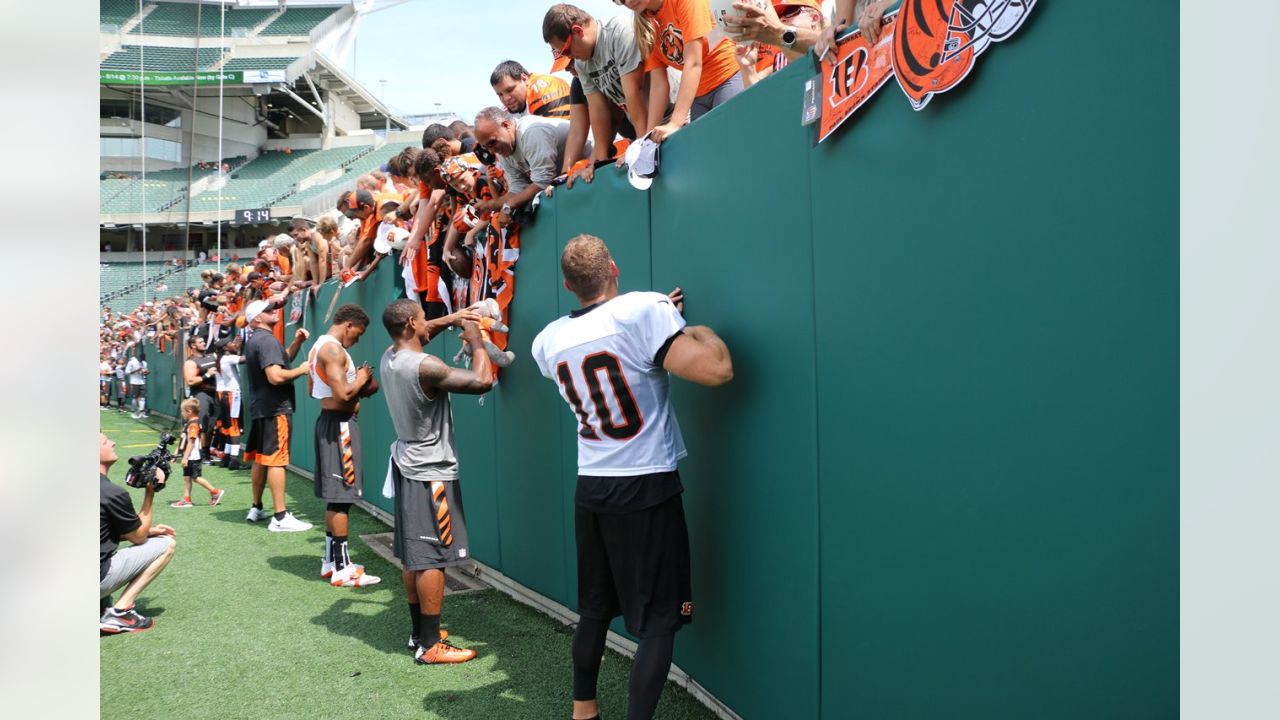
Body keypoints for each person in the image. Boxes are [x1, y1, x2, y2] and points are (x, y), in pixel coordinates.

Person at [531, 234, 733, 720]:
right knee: (660, 621)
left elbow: (607, 345)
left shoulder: (549, 339)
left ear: (567, 285)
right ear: (614, 268)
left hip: (592, 484)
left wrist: (658, 322)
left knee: (596, 609)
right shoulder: (646, 309)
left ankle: (584, 712)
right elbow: (717, 370)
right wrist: (690, 327)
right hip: (646, 483)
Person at [380, 299, 493, 664]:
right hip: (431, 472)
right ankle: (431, 646)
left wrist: (455, 318)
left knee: (415, 557)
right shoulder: (426, 366)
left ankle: (420, 634)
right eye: (424, 319)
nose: (430, 324)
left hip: (407, 464)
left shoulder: (390, 355)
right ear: (412, 323)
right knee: (432, 558)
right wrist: (477, 339)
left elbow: (419, 335)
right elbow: (482, 381)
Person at [308, 304, 382, 588]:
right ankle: (342, 569)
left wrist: (360, 382)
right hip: (339, 426)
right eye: (358, 334)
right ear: (349, 325)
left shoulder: (319, 346)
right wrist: (362, 377)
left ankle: (331, 562)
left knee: (336, 497)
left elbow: (312, 389)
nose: (357, 339)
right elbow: (343, 392)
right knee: (341, 497)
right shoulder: (334, 350)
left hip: (330, 421)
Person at [543, 4, 654, 186]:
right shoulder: (582, 64)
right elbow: (598, 110)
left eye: (567, 51)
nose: (570, 57)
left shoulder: (618, 31)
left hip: (668, 119)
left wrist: (641, 144)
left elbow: (634, 92)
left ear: (578, 31)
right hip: (645, 130)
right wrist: (598, 162)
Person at [623, 0, 743, 142]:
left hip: (726, 76)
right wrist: (646, 138)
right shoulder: (646, 26)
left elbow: (693, 62)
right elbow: (658, 85)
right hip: (698, 96)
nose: (627, 2)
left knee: (734, 140)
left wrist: (675, 123)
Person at [242, 299, 313, 532]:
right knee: (276, 461)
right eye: (268, 310)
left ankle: (257, 506)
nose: (274, 311)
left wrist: (296, 342)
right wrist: (302, 370)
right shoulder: (267, 340)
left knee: (262, 459)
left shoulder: (256, 340)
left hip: (262, 408)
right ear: (257, 319)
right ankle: (280, 517)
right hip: (275, 408)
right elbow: (276, 376)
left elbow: (280, 363)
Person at [100, 433, 177, 633]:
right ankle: (120, 612)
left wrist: (149, 530)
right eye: (105, 442)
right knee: (166, 544)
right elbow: (139, 536)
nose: (113, 441)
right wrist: (150, 491)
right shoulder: (111, 492)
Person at [473, 105, 585, 215]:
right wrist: (488, 205)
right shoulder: (503, 148)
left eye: (492, 143)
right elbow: (518, 188)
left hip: (591, 169)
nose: (492, 151)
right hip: (570, 180)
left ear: (506, 125)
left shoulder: (530, 132)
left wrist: (510, 205)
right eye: (487, 147)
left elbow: (544, 181)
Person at [735, 0, 828, 88]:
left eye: (790, 11)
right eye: (778, 16)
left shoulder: (833, 42)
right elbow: (760, 101)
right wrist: (748, 69)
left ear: (814, 18)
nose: (782, 19)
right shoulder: (780, 60)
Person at [170, 398, 226, 508]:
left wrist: (185, 458)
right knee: (187, 477)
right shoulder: (190, 423)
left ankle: (215, 492)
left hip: (193, 456)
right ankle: (186, 499)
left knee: (195, 477)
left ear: (189, 411)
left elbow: (191, 441)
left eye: (182, 411)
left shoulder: (193, 424)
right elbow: (183, 441)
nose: (182, 414)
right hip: (189, 456)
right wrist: (176, 455)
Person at [490, 60, 572, 119]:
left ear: (524, 79)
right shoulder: (505, 111)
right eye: (500, 94)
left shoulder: (544, 88)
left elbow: (554, 136)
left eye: (510, 90)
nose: (506, 98)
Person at [214, 334, 247, 470]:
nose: (234, 344)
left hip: (226, 394)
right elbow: (245, 359)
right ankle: (234, 460)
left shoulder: (222, 358)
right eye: (231, 343)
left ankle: (227, 457)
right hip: (232, 395)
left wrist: (236, 348)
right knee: (235, 427)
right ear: (225, 347)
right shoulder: (228, 358)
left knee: (229, 427)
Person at [182, 334, 218, 448]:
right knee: (203, 424)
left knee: (212, 425)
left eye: (204, 341)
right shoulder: (191, 362)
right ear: (193, 345)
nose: (204, 343)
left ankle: (207, 451)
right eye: (200, 342)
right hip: (201, 394)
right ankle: (199, 452)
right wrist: (207, 375)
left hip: (215, 393)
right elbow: (190, 381)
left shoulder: (211, 357)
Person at [125, 350, 148, 419]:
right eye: (141, 359)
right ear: (138, 358)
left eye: (143, 359)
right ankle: (133, 412)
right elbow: (127, 372)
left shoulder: (144, 363)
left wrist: (146, 372)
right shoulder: (131, 362)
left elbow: (145, 371)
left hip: (142, 381)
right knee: (134, 397)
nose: (142, 360)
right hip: (134, 381)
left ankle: (142, 412)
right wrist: (137, 370)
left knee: (143, 397)